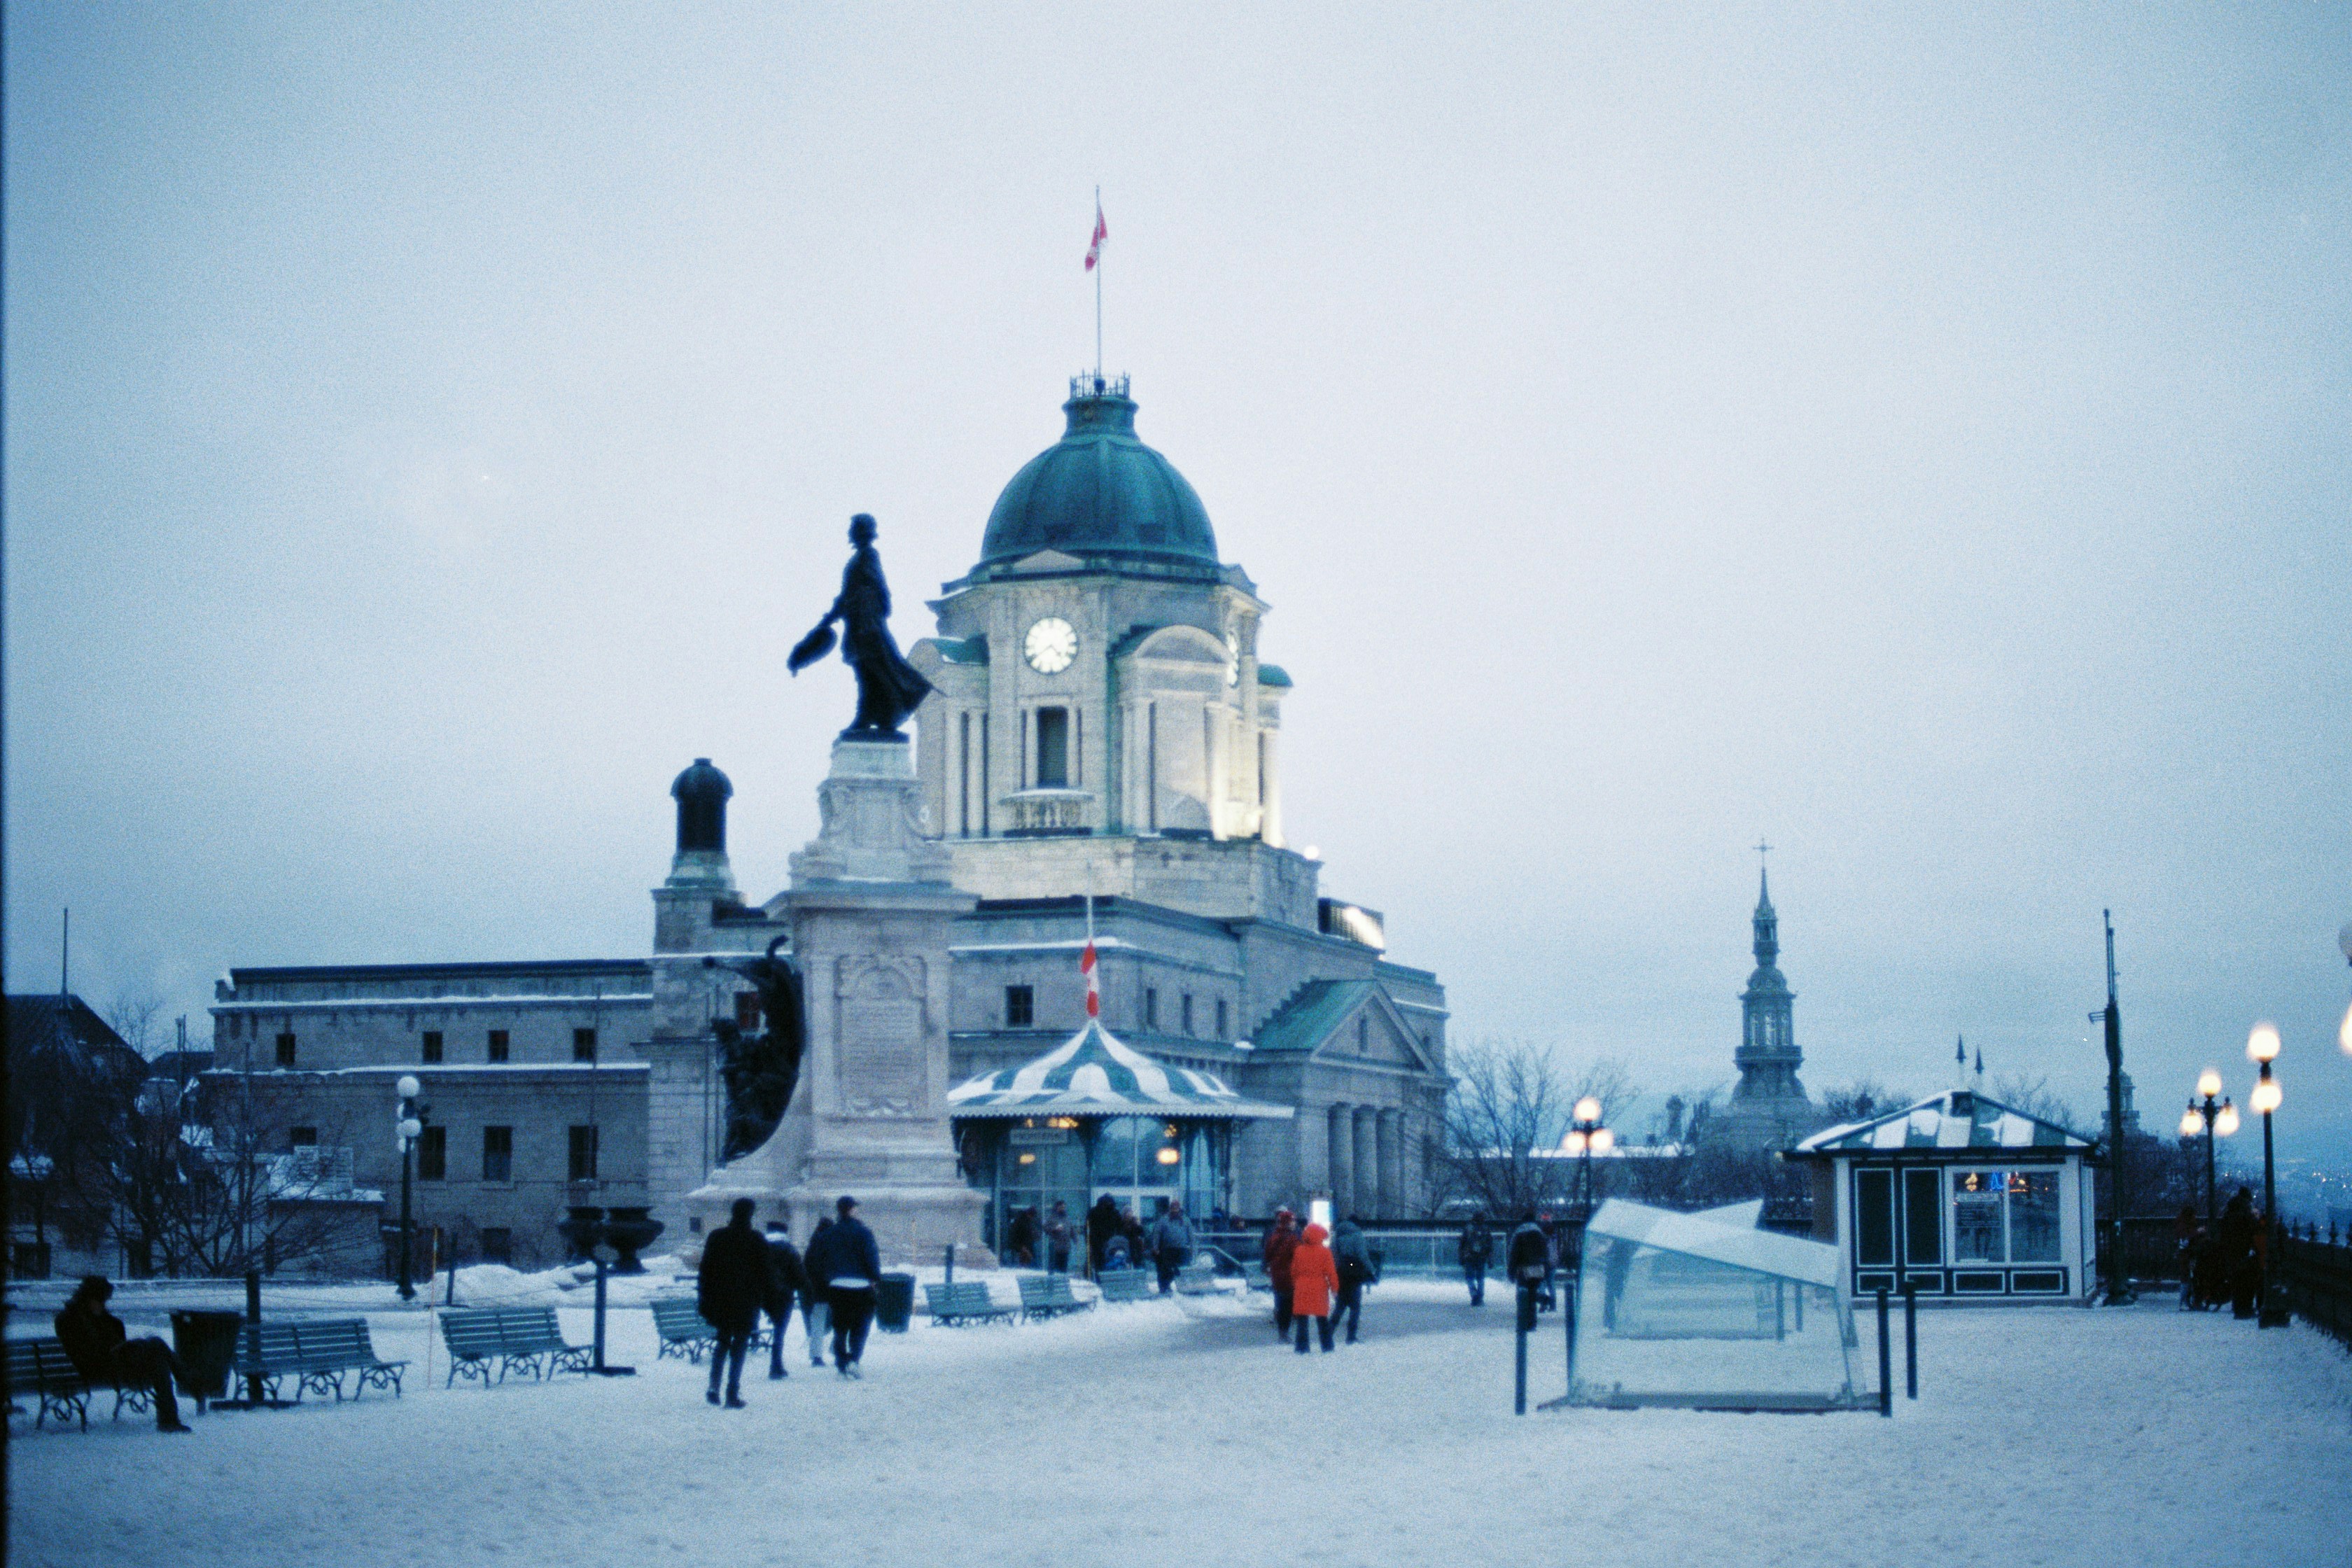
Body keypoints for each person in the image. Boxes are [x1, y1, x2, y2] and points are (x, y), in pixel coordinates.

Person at [54, 1277, 189, 1434]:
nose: (103, 1304)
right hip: (97, 1367)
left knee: (158, 1356)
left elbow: (114, 1340)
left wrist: (107, 1325)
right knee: (156, 1347)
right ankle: (183, 1386)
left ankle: (170, 1417)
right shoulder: (71, 1319)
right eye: (100, 1300)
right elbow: (88, 1351)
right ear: (88, 1299)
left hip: (113, 1361)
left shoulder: (101, 1318)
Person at [697, 1198, 770, 1408]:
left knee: (722, 1342)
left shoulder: (717, 1237)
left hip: (720, 1299)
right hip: (746, 1301)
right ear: (751, 1214)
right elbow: (765, 1274)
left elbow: (705, 1270)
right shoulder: (756, 1239)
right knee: (739, 1346)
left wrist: (704, 1298)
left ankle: (713, 1386)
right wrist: (764, 1300)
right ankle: (732, 1393)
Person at [807, 1194, 882, 1376]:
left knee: (840, 1327)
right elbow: (871, 1257)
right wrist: (875, 1278)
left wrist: (827, 1278)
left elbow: (818, 1259)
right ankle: (854, 1359)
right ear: (852, 1210)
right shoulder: (864, 1232)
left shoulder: (829, 1234)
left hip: (837, 1285)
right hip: (861, 1285)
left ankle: (841, 1362)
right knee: (860, 1325)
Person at [762, 1221, 808, 1380]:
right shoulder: (789, 1249)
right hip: (783, 1295)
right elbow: (800, 1276)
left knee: (773, 1326)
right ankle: (776, 1365)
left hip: (762, 1294)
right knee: (779, 1332)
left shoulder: (760, 1248)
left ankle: (776, 1364)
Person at [1290, 1222, 1340, 1353]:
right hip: (1319, 1288)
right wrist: (1334, 1289)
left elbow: (1294, 1271)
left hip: (1302, 1287)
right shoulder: (1325, 1252)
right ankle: (1327, 1346)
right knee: (1322, 1319)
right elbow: (1331, 1272)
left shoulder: (1299, 1251)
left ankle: (1302, 1347)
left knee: (1302, 1320)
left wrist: (1297, 1283)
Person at [1332, 1217, 1378, 1344]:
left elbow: (1334, 1254)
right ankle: (1351, 1337)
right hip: (1354, 1270)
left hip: (1341, 1271)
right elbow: (1362, 1255)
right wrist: (1372, 1270)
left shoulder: (1337, 1234)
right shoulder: (1357, 1235)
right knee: (1355, 1307)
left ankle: (1328, 1333)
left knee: (1340, 1305)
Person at [2218, 1187, 2260, 1320]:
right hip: (2244, 1250)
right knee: (2246, 1281)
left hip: (2230, 1250)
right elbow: (2252, 1229)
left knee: (2236, 1280)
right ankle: (2245, 1308)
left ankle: (2238, 1308)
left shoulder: (2229, 1213)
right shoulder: (2245, 1213)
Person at [802, 1214, 835, 1366]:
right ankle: (836, 1348)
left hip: (817, 1290)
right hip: (834, 1287)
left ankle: (816, 1356)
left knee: (818, 1323)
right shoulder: (833, 1244)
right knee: (841, 1320)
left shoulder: (813, 1244)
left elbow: (806, 1267)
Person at [1263, 1208, 1301, 1339]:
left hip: (1276, 1274)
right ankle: (1284, 1333)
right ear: (1288, 1222)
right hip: (1289, 1275)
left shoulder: (1273, 1237)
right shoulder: (1292, 1239)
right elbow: (1298, 1257)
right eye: (1293, 1221)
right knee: (1288, 1305)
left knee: (1280, 1303)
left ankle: (1282, 1332)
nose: (1295, 1223)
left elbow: (1267, 1254)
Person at [1507, 1211, 1552, 1315]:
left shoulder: (1519, 1233)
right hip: (1538, 1267)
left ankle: (1524, 1315)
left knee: (1522, 1291)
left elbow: (1513, 1253)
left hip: (1523, 1268)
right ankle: (1535, 1310)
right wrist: (1546, 1266)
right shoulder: (1539, 1233)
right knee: (1533, 1289)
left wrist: (1511, 1270)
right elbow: (1545, 1252)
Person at [1150, 1200, 1194, 1295]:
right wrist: (1155, 1247)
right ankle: (1164, 1287)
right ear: (1170, 1208)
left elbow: (1191, 1235)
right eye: (1173, 1208)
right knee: (1166, 1270)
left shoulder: (1185, 1220)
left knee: (1183, 1269)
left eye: (1176, 1208)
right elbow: (1157, 1234)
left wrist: (1192, 1249)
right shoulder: (1164, 1219)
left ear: (1179, 1208)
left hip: (1182, 1249)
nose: (1175, 1210)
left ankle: (1185, 1288)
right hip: (1168, 1249)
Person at [1459, 1214, 1494, 1306]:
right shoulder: (1486, 1229)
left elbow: (1462, 1244)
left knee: (1470, 1277)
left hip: (1469, 1257)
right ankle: (1480, 1297)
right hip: (1482, 1257)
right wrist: (1490, 1259)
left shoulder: (1468, 1228)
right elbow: (1490, 1245)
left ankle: (1474, 1295)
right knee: (1481, 1278)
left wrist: (1461, 1257)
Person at [1088, 1194, 1122, 1273]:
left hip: (1100, 1241)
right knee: (1107, 1261)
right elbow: (1120, 1228)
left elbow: (1120, 1228)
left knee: (1100, 1261)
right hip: (1105, 1241)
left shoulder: (1093, 1212)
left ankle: (1099, 1276)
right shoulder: (1114, 1212)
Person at [1044, 1200, 1074, 1274]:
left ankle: (1063, 1283)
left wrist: (1074, 1237)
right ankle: (1052, 1282)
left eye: (1064, 1207)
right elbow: (1045, 1228)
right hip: (1055, 1246)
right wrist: (1054, 1229)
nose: (1063, 1208)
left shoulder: (1067, 1218)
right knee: (1054, 1266)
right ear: (1057, 1207)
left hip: (1065, 1247)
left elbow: (1071, 1228)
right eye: (1061, 1207)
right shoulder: (1052, 1217)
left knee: (1064, 1267)